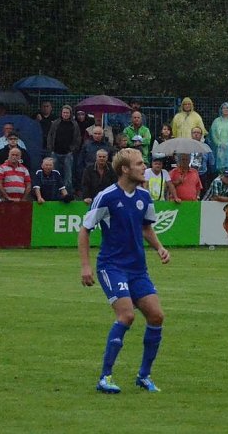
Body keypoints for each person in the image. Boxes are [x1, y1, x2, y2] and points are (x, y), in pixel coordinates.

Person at [78, 148, 170, 394]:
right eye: (140, 164)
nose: (144, 167)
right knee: (126, 316)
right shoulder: (106, 196)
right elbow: (85, 229)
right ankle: (105, 377)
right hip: (112, 266)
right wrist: (86, 266)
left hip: (138, 268)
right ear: (125, 169)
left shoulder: (144, 196)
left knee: (156, 316)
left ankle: (143, 376)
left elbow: (146, 228)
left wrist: (159, 248)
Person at [47, 105, 82, 196]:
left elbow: (78, 138)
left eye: (67, 113)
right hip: (55, 153)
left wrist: (72, 149)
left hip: (68, 154)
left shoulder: (74, 124)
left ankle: (68, 196)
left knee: (68, 177)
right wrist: (51, 148)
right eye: (64, 112)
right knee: (54, 175)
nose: (65, 114)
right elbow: (50, 136)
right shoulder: (55, 123)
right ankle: (54, 196)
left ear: (70, 114)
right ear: (61, 113)